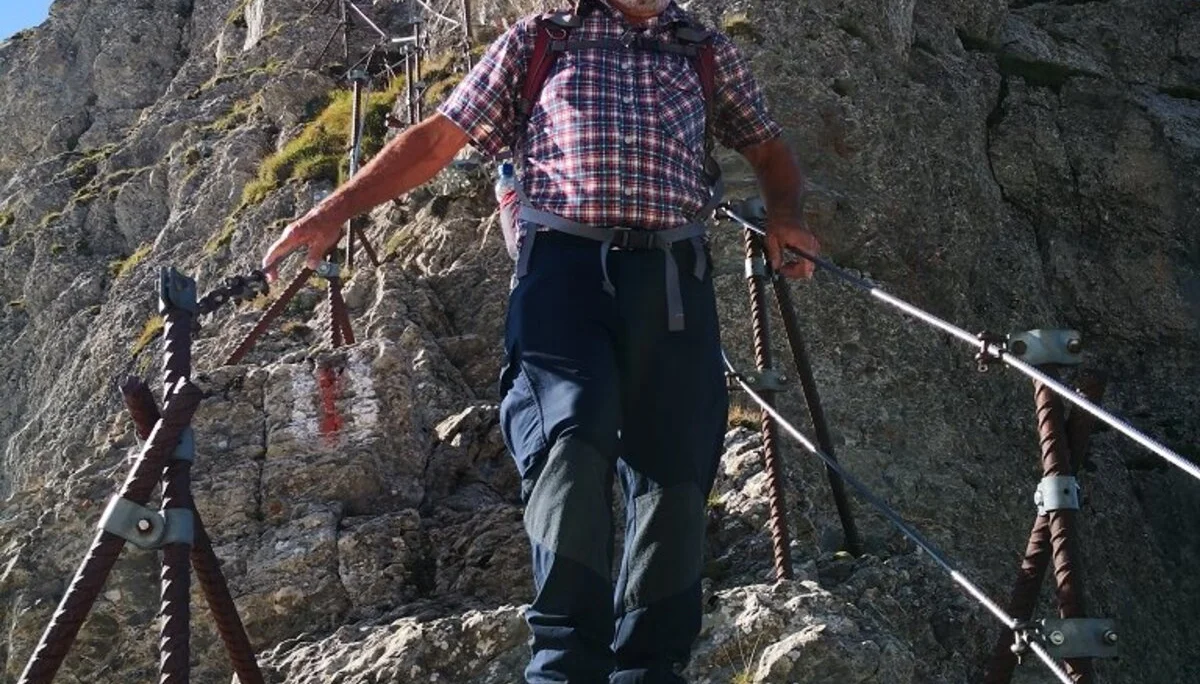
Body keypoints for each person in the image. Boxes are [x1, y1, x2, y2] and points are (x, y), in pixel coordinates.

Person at [262, 0, 819, 681]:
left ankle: (651, 669)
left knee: (676, 469)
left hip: (674, 280)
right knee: (570, 441)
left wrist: (786, 215)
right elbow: (438, 139)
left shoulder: (704, 49)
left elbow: (768, 148)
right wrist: (332, 211)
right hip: (564, 270)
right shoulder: (541, 39)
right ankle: (563, 665)